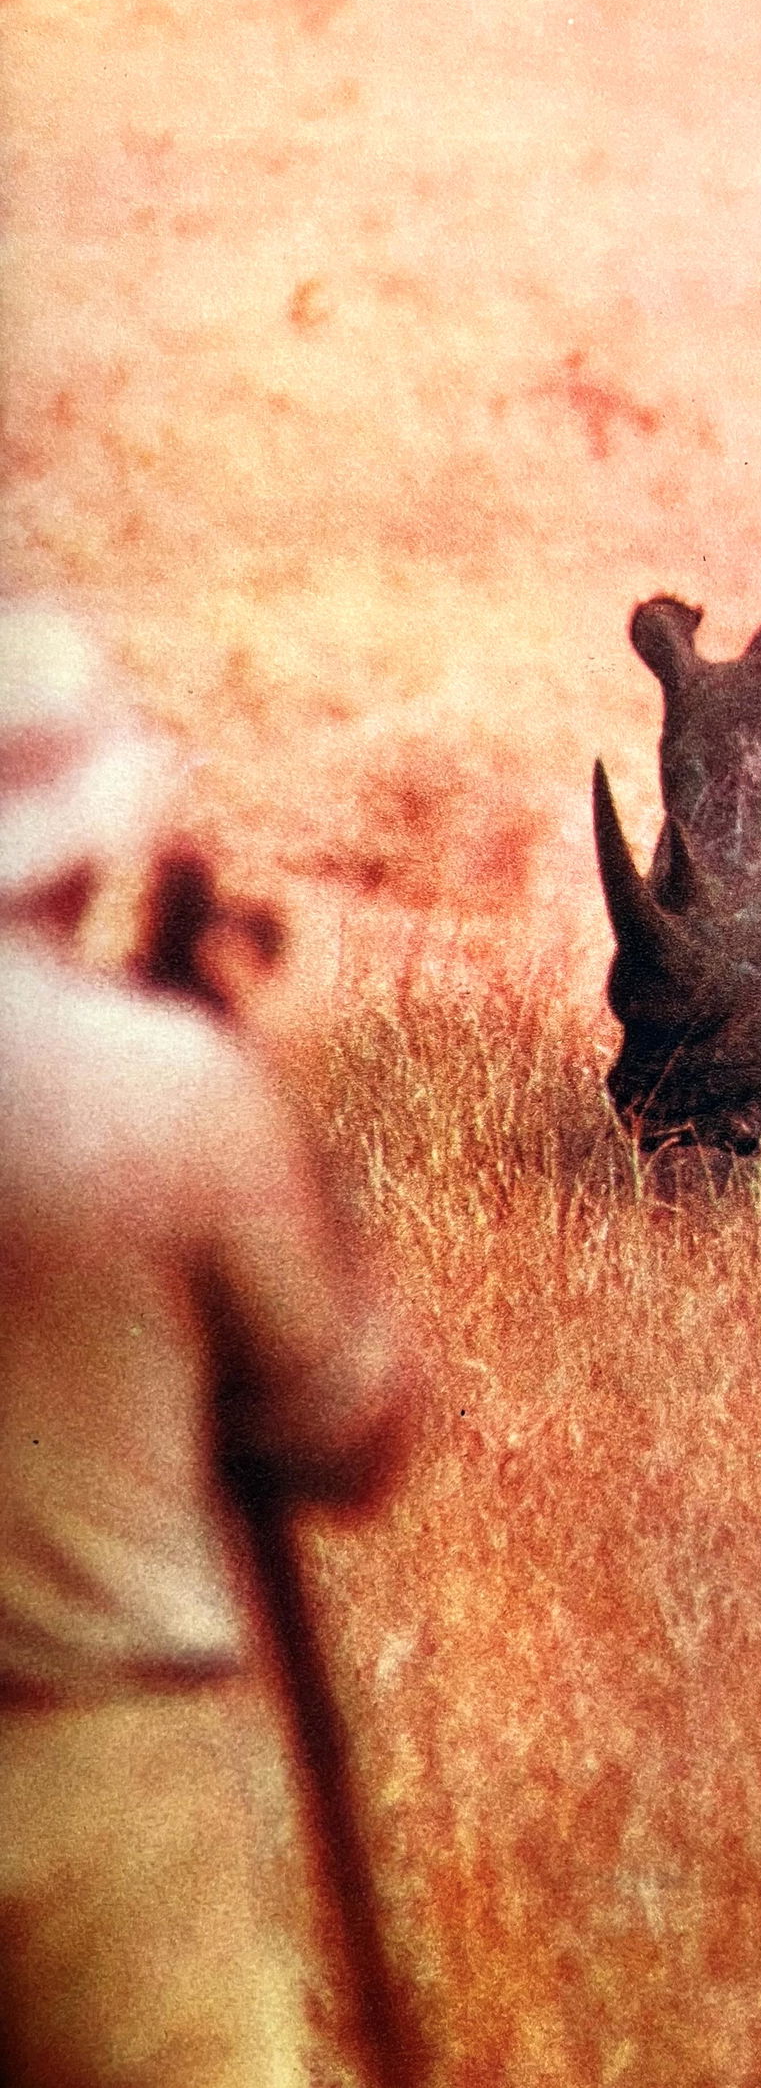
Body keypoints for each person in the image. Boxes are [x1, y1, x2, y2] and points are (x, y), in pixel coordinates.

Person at [0, 605, 411, 2088]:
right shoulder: (169, 1090)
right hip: (110, 1767)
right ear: (86, 838)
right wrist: (255, 1093)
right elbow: (347, 1431)